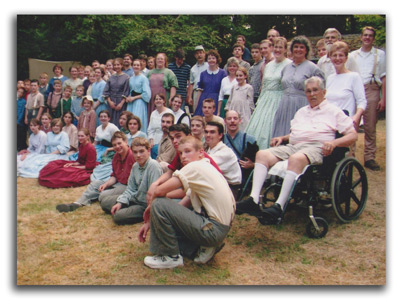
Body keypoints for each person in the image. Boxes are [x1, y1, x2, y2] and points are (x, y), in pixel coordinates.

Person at [236, 76, 357, 221]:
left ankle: (279, 206)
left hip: (318, 148)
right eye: (308, 91)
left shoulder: (334, 111)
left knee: (296, 159)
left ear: (323, 92)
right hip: (294, 146)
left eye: (315, 90)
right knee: (262, 154)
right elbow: (297, 133)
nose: (311, 94)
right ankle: (253, 200)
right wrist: (283, 138)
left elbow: (353, 135)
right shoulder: (301, 111)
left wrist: (335, 143)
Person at [138, 136, 235, 269]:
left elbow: (160, 192)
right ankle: (198, 248)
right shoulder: (205, 166)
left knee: (159, 203)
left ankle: (171, 257)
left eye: (188, 151)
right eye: (181, 153)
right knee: (166, 218)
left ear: (201, 152)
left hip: (213, 229)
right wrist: (160, 219)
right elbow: (186, 199)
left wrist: (150, 211)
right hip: (218, 228)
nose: (183, 156)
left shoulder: (195, 167)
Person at [56, 131, 135, 213]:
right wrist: (106, 184)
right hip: (118, 182)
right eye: (114, 145)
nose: (117, 146)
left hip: (128, 186)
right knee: (96, 184)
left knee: (103, 196)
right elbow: (114, 176)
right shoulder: (116, 157)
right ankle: (77, 203)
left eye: (119, 143)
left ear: (126, 142)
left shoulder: (132, 156)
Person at [271, 35, 325, 138]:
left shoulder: (313, 68)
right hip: (284, 105)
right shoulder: (286, 68)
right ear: (291, 50)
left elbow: (320, 91)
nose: (298, 49)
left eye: (301, 47)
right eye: (296, 47)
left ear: (306, 50)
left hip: (302, 105)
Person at [100, 137, 163, 225]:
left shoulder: (153, 166)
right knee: (105, 202)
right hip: (133, 198)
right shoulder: (135, 166)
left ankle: (132, 212)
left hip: (144, 203)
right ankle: (126, 208)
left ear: (148, 150)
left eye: (141, 151)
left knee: (118, 216)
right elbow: (130, 188)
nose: (138, 155)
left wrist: (148, 212)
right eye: (135, 152)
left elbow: (153, 194)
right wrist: (121, 202)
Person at [349, 26, 386, 171]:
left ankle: (369, 157)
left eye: (370, 35)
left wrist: (383, 98)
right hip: (356, 88)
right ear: (361, 37)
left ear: (373, 38)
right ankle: (350, 154)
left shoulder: (380, 54)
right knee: (352, 123)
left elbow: (384, 77)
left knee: (370, 126)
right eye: (365, 35)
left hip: (372, 88)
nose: (367, 38)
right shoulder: (353, 55)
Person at [246, 37, 292, 149]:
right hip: (265, 100)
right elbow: (264, 85)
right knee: (256, 128)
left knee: (271, 128)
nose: (277, 50)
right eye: (276, 47)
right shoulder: (268, 65)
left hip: (279, 100)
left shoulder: (289, 65)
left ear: (285, 49)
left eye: (280, 47)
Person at [326, 42, 366, 136]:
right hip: (329, 124)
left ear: (346, 58)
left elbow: (362, 101)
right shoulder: (330, 78)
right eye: (334, 55)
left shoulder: (354, 77)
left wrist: (356, 117)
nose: (337, 58)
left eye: (341, 55)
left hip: (345, 123)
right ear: (330, 58)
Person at [204, 121, 242, 196]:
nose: (208, 135)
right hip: (217, 185)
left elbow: (203, 166)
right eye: (206, 132)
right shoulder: (209, 149)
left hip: (230, 190)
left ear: (220, 135)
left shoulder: (225, 152)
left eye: (212, 132)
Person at [194, 50, 227, 116]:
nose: (211, 60)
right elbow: (200, 90)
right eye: (209, 58)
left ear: (217, 60)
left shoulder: (222, 73)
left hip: (217, 100)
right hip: (204, 99)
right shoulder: (203, 74)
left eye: (213, 58)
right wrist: (197, 105)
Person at [147, 52, 178, 117]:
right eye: (158, 59)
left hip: (164, 96)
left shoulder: (169, 72)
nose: (160, 60)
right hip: (152, 97)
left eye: (161, 59)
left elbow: (173, 86)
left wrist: (171, 98)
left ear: (165, 61)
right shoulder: (150, 73)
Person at [224, 67, 254, 131]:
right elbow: (230, 99)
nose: (238, 78)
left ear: (245, 76)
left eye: (240, 76)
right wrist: (227, 110)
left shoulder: (248, 88)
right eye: (237, 76)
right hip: (234, 108)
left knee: (243, 126)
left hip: (244, 110)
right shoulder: (234, 87)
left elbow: (250, 101)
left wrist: (251, 112)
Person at [103, 58, 130, 126]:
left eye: (118, 65)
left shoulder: (126, 77)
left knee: (120, 120)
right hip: (111, 102)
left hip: (121, 102)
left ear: (121, 65)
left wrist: (121, 104)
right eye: (115, 65)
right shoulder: (111, 77)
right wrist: (110, 102)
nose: (116, 66)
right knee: (110, 121)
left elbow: (126, 91)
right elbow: (106, 91)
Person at [126, 58, 151, 134]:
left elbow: (146, 94)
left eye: (138, 65)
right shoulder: (131, 78)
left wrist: (134, 98)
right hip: (131, 103)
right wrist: (129, 98)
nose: (136, 66)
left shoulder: (143, 78)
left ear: (140, 67)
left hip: (139, 102)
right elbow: (131, 91)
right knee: (129, 120)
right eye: (134, 65)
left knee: (137, 119)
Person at [147, 93, 174, 159]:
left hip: (165, 138)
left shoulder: (169, 112)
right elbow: (150, 129)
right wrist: (151, 139)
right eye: (156, 99)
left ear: (164, 101)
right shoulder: (153, 113)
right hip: (154, 139)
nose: (158, 101)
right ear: (154, 102)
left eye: (160, 99)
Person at [187, 45, 209, 113]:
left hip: (206, 91)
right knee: (197, 111)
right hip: (196, 92)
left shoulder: (209, 66)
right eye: (197, 53)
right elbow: (191, 83)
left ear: (204, 54)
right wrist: (190, 97)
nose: (199, 55)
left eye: (201, 52)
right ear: (195, 55)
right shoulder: (193, 68)